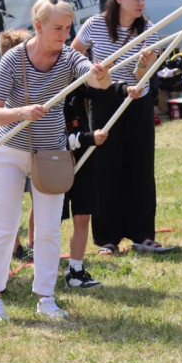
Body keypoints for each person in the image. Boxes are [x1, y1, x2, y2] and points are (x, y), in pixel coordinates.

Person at [0, 0, 113, 323]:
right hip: (10, 151)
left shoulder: (69, 57)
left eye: (68, 28)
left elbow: (97, 80)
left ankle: (46, 298)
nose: (65, 35)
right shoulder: (13, 60)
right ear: (37, 26)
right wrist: (22, 112)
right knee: (5, 227)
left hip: (52, 154)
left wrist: (101, 73)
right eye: (57, 28)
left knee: (49, 229)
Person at [72, 0, 169, 254]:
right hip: (105, 100)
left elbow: (145, 75)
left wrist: (143, 68)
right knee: (105, 168)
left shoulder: (149, 29)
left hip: (136, 102)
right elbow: (74, 56)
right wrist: (94, 70)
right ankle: (107, 239)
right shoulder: (95, 24)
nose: (141, 3)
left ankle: (142, 234)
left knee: (140, 166)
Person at [61, 82, 108, 288]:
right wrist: (88, 138)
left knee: (82, 215)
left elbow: (101, 89)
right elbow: (54, 137)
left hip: (83, 157)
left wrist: (125, 90)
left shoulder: (74, 84)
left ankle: (76, 270)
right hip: (54, 162)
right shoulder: (41, 89)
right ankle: (43, 271)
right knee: (51, 220)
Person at [0, 29, 37, 262]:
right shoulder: (7, 76)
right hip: (13, 147)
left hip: (36, 147)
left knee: (38, 196)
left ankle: (32, 241)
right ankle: (14, 247)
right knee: (10, 204)